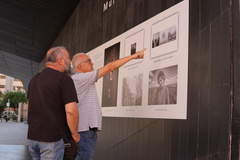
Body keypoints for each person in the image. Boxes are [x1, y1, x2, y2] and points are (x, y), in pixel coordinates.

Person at [71, 48, 146, 160]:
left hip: (83, 131)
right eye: (89, 61)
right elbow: (110, 67)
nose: (92, 63)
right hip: (85, 132)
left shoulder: (76, 79)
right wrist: (133, 56)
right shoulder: (81, 78)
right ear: (80, 66)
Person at [27, 46, 80, 160]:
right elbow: (71, 112)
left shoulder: (34, 79)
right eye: (68, 57)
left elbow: (29, 107)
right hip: (52, 139)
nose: (70, 61)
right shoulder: (64, 79)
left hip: (33, 138)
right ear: (60, 60)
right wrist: (75, 135)